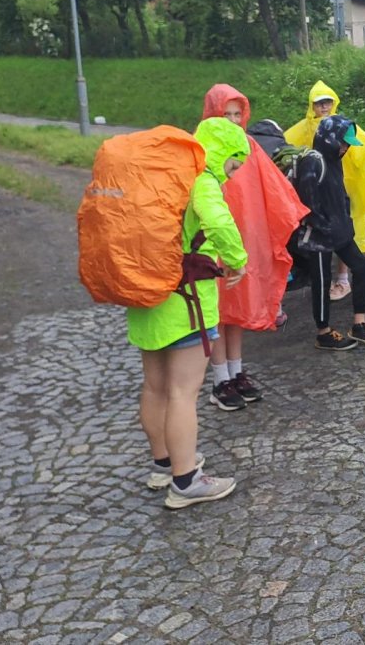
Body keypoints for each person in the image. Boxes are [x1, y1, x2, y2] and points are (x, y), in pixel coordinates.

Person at [130, 117, 248, 509]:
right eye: (234, 164)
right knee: (183, 391)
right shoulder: (201, 178)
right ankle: (186, 481)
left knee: (155, 387)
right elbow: (217, 220)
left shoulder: (162, 174)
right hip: (185, 301)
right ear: (221, 153)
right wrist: (238, 260)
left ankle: (163, 465)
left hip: (145, 292)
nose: (233, 174)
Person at [201, 84, 307, 411]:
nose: (233, 120)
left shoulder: (247, 146)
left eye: (238, 114)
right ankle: (220, 380)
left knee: (236, 310)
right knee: (217, 312)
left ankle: (236, 371)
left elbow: (273, 188)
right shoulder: (200, 148)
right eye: (226, 114)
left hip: (242, 240)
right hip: (212, 243)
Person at [292, 115, 365, 351]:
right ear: (329, 139)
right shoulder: (313, 162)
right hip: (318, 234)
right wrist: (325, 226)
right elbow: (306, 204)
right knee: (322, 282)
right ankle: (323, 333)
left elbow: (341, 195)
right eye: (342, 142)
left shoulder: (334, 160)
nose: (345, 148)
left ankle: (359, 324)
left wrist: (345, 224)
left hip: (338, 230)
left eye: (347, 144)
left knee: (362, 267)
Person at [285, 81, 365, 302]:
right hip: (316, 189)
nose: (324, 106)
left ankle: (343, 279)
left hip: (343, 187)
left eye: (328, 101)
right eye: (319, 103)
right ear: (311, 105)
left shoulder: (341, 125)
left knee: (345, 232)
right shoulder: (304, 128)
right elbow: (285, 145)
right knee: (318, 230)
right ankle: (322, 279)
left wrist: (358, 175)